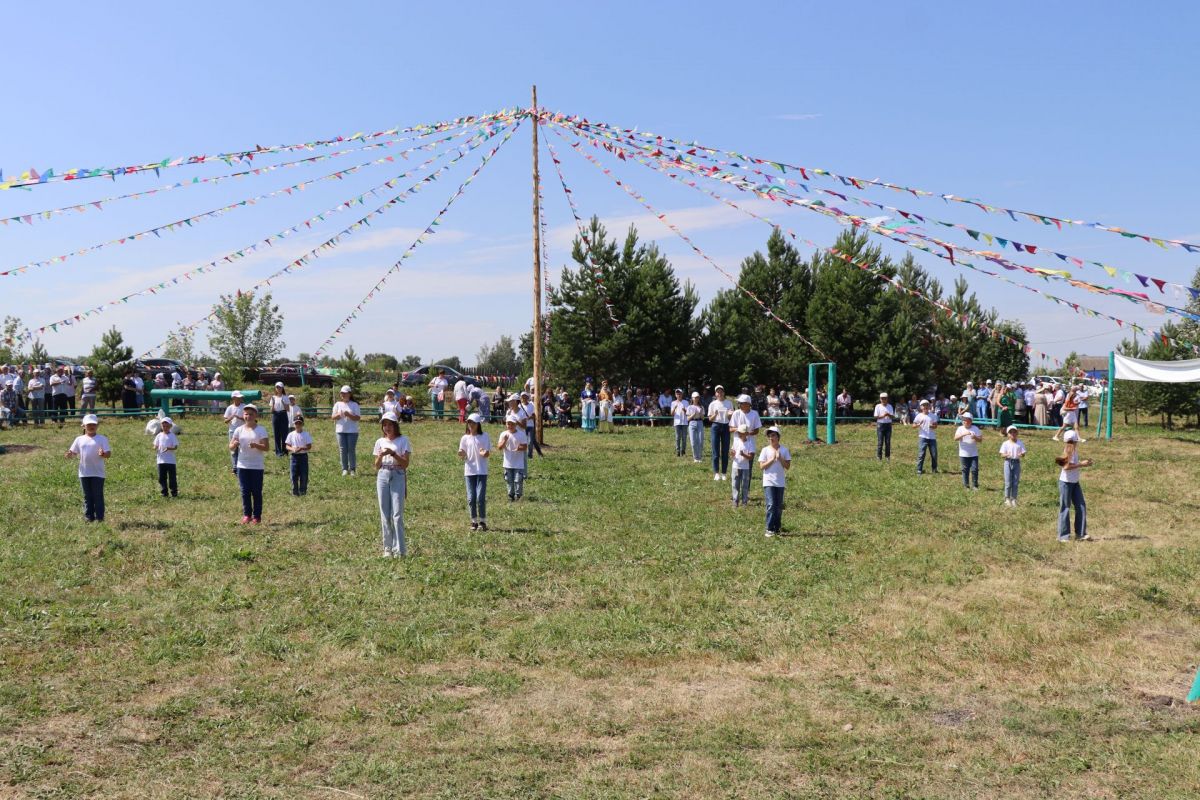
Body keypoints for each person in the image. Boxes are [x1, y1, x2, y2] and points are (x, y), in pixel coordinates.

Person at [373, 411, 411, 557]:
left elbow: (405, 463)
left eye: (390, 425)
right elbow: (376, 466)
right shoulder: (379, 442)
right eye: (385, 425)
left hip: (397, 475)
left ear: (395, 425)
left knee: (397, 514)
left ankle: (400, 549)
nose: (387, 428)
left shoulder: (403, 441)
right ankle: (387, 548)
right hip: (382, 475)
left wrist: (393, 454)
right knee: (385, 513)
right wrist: (381, 456)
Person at [67, 414, 112, 522]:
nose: (91, 426)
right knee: (87, 496)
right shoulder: (79, 439)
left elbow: (108, 453)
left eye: (94, 424)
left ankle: (100, 517)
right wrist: (69, 455)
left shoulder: (102, 439)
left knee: (98, 496)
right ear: (83, 426)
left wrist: (104, 454)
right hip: (84, 472)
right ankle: (89, 516)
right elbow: (73, 452)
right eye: (89, 424)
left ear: (97, 426)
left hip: (98, 473)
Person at [229, 404, 269, 524]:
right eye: (246, 414)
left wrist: (256, 445)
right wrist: (234, 444)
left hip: (256, 466)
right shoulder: (238, 430)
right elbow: (230, 446)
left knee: (256, 491)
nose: (248, 416)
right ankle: (247, 515)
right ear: (243, 415)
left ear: (255, 415)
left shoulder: (261, 430)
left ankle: (257, 516)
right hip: (242, 465)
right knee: (245, 491)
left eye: (251, 414)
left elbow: (266, 447)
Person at [1056, 429, 1092, 542]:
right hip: (1066, 483)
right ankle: (1063, 536)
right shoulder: (1069, 450)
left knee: (1081, 506)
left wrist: (1081, 462)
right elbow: (1066, 467)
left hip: (1075, 482)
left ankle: (1080, 534)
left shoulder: (1073, 450)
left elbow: (1071, 463)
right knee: (1065, 508)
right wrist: (1081, 464)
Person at [458, 412, 491, 530]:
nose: (470, 425)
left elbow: (487, 452)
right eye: (469, 422)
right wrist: (461, 453)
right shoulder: (465, 438)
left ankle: (482, 521)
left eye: (473, 423)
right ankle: (473, 521)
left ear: (478, 424)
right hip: (469, 471)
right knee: (471, 498)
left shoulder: (484, 436)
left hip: (481, 471)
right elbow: (462, 453)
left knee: (480, 497)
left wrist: (484, 453)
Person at [758, 426, 791, 537]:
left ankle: (777, 528)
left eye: (773, 435)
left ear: (778, 437)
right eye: (769, 436)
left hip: (780, 482)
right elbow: (762, 466)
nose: (771, 438)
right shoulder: (765, 450)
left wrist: (780, 458)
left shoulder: (784, 450)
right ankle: (769, 528)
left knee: (778, 506)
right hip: (768, 482)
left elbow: (787, 466)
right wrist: (772, 459)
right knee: (771, 505)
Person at [331, 385, 362, 476]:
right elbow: (332, 417)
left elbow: (357, 418)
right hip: (340, 431)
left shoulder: (354, 405)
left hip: (352, 431)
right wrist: (339, 415)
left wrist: (348, 414)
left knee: (351, 450)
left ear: (349, 394)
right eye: (342, 393)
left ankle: (352, 469)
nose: (343, 394)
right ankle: (344, 468)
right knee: (342, 450)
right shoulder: (337, 404)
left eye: (345, 393)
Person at [496, 412, 528, 501]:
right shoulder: (503, 434)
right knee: (509, 481)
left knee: (518, 480)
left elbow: (525, 447)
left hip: (518, 463)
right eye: (508, 424)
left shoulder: (521, 434)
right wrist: (504, 441)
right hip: (507, 463)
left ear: (515, 424)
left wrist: (519, 448)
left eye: (512, 424)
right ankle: (511, 496)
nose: (510, 426)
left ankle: (518, 496)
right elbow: (499, 447)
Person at [707, 384, 733, 481]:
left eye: (721, 391)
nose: (720, 393)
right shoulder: (712, 404)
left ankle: (724, 473)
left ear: (723, 392)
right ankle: (716, 472)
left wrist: (730, 415)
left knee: (725, 451)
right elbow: (710, 419)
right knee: (715, 451)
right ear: (715, 393)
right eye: (718, 391)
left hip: (726, 426)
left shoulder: (729, 403)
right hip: (716, 426)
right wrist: (715, 414)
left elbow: (731, 417)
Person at [954, 412, 984, 490]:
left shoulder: (975, 428)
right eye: (963, 420)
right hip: (963, 454)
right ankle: (966, 485)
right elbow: (955, 438)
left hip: (974, 453)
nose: (964, 421)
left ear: (970, 421)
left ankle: (975, 485)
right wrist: (963, 434)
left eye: (966, 420)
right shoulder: (960, 428)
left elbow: (980, 440)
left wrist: (975, 437)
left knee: (974, 469)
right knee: (965, 470)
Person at [285, 415, 314, 496]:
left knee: (304, 475)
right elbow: (287, 445)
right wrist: (292, 449)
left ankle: (303, 491)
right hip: (294, 457)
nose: (298, 425)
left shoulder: (306, 434)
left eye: (299, 423)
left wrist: (301, 448)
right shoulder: (291, 434)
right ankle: (295, 491)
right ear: (294, 424)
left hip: (303, 456)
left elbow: (309, 446)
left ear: (302, 424)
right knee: (293, 475)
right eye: (296, 423)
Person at [999, 425, 1026, 507]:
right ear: (1008, 434)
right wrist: (1006, 455)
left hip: (1016, 463)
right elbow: (1002, 454)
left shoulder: (1020, 443)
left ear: (1017, 433)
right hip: (1008, 462)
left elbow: (1023, 453)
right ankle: (1007, 499)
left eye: (1014, 432)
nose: (1013, 434)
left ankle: (1014, 498)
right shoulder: (1005, 443)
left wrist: (1021, 454)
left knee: (1015, 482)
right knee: (1008, 482)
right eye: (1011, 432)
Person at [152, 416, 179, 498]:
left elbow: (175, 447)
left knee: (172, 478)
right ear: (161, 426)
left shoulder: (172, 436)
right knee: (161, 477)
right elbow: (155, 445)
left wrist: (168, 448)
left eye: (167, 426)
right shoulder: (159, 435)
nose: (165, 428)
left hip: (170, 461)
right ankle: (164, 492)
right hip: (161, 460)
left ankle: (174, 492)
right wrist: (155, 447)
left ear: (170, 426)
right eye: (164, 426)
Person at [730, 423, 755, 507]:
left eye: (742, 433)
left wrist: (743, 455)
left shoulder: (750, 443)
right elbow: (732, 453)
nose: (740, 434)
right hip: (736, 466)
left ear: (746, 434)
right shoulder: (736, 441)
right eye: (739, 432)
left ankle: (744, 501)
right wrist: (732, 454)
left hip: (745, 467)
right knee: (735, 484)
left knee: (745, 485)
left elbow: (751, 457)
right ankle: (735, 500)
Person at [912, 398, 939, 475]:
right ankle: (919, 470)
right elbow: (913, 425)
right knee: (921, 454)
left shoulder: (933, 416)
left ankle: (934, 469)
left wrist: (932, 426)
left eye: (927, 405)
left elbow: (936, 426)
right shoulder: (919, 416)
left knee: (934, 454)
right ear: (921, 407)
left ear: (929, 406)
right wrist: (917, 425)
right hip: (922, 437)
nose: (925, 407)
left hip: (932, 438)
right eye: (923, 405)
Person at [223, 390, 246, 474]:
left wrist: (239, 417)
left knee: (242, 449)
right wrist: (231, 417)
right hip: (232, 431)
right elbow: (225, 421)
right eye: (238, 397)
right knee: (233, 449)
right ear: (234, 398)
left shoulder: (244, 407)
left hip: (243, 431)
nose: (240, 399)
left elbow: (248, 419)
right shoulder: (230, 408)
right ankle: (235, 467)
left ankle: (242, 466)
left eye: (240, 397)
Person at [520, 392, 543, 465]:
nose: (523, 398)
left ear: (527, 397)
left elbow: (534, 415)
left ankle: (529, 456)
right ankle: (540, 453)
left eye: (525, 397)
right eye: (522, 397)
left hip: (530, 426)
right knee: (533, 441)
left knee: (530, 442)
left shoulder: (531, 405)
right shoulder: (519, 406)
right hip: (523, 426)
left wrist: (528, 418)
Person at [269, 382, 290, 457]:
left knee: (284, 434)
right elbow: (271, 411)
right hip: (276, 415)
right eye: (277, 387)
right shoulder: (273, 398)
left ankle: (285, 450)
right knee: (276, 434)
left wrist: (283, 403)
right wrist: (273, 404)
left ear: (282, 388)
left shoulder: (285, 397)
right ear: (275, 388)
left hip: (283, 414)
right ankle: (278, 452)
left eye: (280, 387)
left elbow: (288, 409)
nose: (278, 389)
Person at [873, 392, 894, 461]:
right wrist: (883, 416)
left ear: (887, 399)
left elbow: (892, 416)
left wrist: (888, 415)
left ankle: (887, 456)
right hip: (880, 425)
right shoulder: (878, 406)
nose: (883, 400)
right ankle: (879, 456)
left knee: (888, 442)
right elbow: (876, 417)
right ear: (880, 399)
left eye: (885, 398)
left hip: (888, 425)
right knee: (880, 441)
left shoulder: (890, 406)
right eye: (882, 398)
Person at [686, 391, 705, 463]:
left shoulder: (701, 407)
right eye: (695, 397)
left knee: (700, 441)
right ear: (692, 398)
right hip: (692, 423)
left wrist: (700, 413)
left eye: (697, 397)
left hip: (700, 422)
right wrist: (693, 415)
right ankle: (695, 457)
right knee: (693, 442)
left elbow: (703, 418)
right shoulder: (689, 407)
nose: (696, 399)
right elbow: (687, 419)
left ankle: (700, 457)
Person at [670, 389, 690, 457]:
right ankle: (678, 451)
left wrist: (685, 410)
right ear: (675, 395)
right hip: (677, 422)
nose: (679, 395)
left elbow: (688, 413)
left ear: (682, 394)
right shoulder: (673, 403)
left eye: (680, 394)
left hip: (684, 422)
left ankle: (683, 451)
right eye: (677, 394)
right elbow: (672, 414)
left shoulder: (686, 402)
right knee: (677, 437)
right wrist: (674, 408)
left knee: (684, 438)